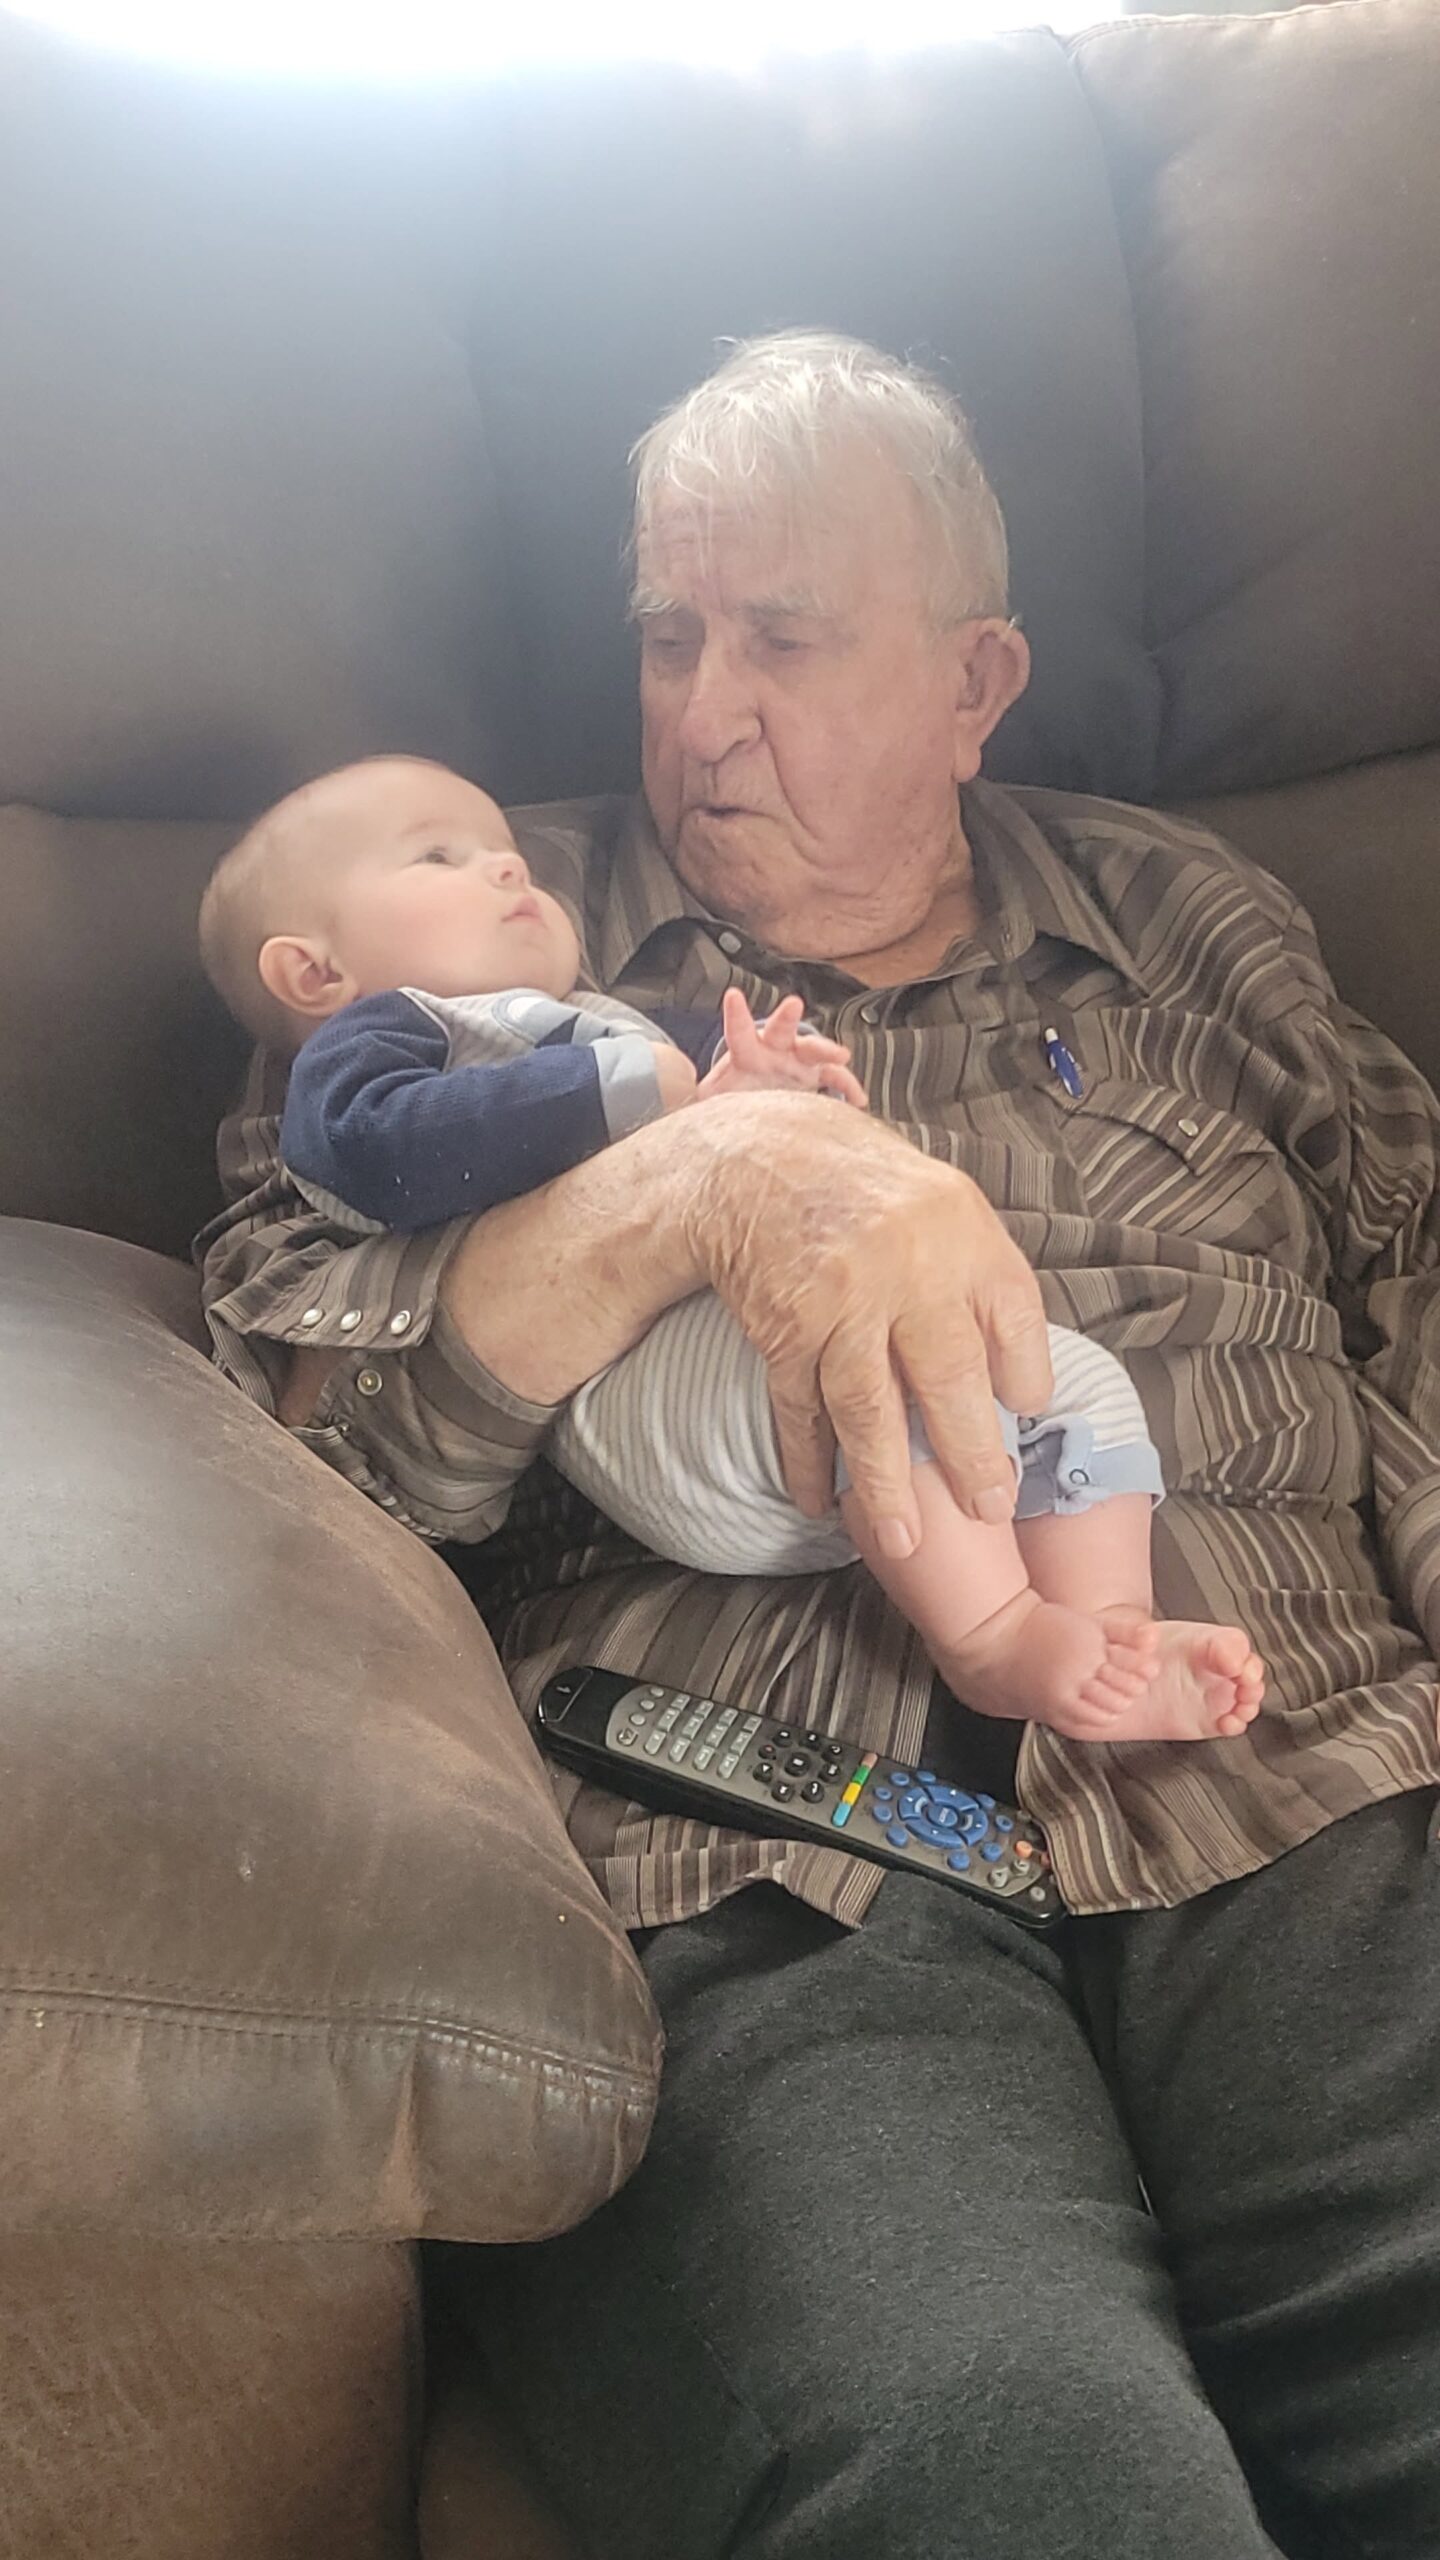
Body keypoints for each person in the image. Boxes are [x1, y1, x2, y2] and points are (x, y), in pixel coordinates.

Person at [197, 332, 1440, 2560]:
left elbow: (1416, 1271)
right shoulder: (457, 934)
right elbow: (308, 1430)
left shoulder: (1189, 914)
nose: (703, 713)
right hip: (754, 1849)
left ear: (977, 683)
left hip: (1306, 1774)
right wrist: (699, 1179)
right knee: (1015, 2473)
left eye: (783, 638)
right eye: (668, 637)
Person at [197, 756, 1263, 1744]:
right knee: (882, 1375)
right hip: (646, 1400)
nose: (509, 865)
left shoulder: (611, 1021)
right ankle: (994, 1638)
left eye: (501, 848)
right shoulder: (380, 1042)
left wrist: (772, 1079)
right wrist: (654, 1100)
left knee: (1078, 1381)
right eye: (439, 856)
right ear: (313, 971)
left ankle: (1115, 1624)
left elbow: (762, 1127)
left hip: (763, 1371)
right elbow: (377, 1154)